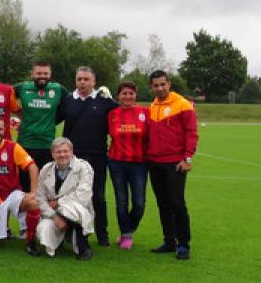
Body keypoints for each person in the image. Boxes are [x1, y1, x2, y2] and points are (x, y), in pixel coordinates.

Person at [57, 66, 118, 246]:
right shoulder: (68, 100)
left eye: (86, 79)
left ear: (94, 81)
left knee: (98, 196)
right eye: (79, 79)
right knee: (69, 195)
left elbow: (123, 110)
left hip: (97, 155)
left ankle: (102, 234)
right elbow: (52, 119)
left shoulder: (104, 100)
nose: (82, 82)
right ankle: (69, 232)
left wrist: (111, 97)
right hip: (72, 157)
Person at [147, 70, 198, 260]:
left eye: (163, 84)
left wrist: (187, 159)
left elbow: (192, 133)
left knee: (177, 203)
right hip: (155, 163)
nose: (160, 88)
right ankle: (169, 241)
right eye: (156, 85)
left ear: (169, 84)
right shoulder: (152, 106)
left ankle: (183, 244)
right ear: (151, 87)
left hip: (175, 163)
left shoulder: (183, 104)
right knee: (163, 204)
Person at [0, 118, 41, 255]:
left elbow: (32, 166)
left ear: (5, 130)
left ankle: (31, 240)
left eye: (0, 129)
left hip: (11, 194)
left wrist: (33, 191)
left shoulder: (13, 147)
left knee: (33, 203)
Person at [35, 137, 95, 260]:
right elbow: (40, 198)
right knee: (43, 229)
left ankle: (83, 245)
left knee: (69, 210)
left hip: (78, 210)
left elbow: (84, 195)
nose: (62, 155)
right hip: (54, 213)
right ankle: (60, 239)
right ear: (52, 154)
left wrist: (58, 203)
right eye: (58, 152)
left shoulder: (84, 167)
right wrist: (54, 216)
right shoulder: (46, 169)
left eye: (65, 151)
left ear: (72, 152)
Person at [107, 81, 149, 250]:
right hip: (117, 163)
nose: (127, 96)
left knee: (139, 203)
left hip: (139, 164)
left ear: (135, 95)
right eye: (124, 93)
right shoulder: (112, 114)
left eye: (131, 93)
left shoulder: (145, 113)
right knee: (121, 201)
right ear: (118, 96)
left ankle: (129, 228)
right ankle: (126, 235)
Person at [15, 62, 69, 189]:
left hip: (47, 145)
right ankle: (24, 209)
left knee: (46, 186)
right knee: (24, 185)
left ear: (50, 75)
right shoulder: (22, 88)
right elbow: (0, 93)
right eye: (39, 73)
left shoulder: (58, 89)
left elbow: (75, 100)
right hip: (25, 144)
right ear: (32, 74)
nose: (42, 76)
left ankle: (44, 210)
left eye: (45, 73)